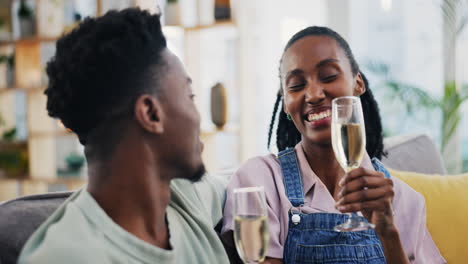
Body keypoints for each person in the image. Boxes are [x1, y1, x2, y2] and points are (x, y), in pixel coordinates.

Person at [18, 8, 229, 264]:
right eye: (189, 96)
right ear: (151, 114)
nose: (197, 117)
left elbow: (248, 185)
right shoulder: (62, 257)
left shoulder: (185, 194)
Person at [221, 26, 446, 264]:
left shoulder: (404, 199)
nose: (314, 94)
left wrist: (388, 233)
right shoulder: (260, 182)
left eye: (328, 76)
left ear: (358, 83)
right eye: (296, 85)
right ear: (286, 103)